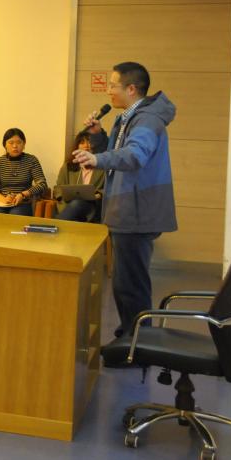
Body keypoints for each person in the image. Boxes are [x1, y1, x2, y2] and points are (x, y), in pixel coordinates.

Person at [72, 61, 177, 338]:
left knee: (131, 285)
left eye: (113, 85)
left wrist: (96, 159)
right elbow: (118, 152)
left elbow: (134, 155)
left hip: (136, 212)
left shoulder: (147, 119)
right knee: (124, 283)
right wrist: (98, 138)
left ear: (131, 89)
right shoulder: (128, 117)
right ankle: (129, 337)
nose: (108, 90)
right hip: (126, 209)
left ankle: (138, 344)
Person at [0, 127, 47, 216]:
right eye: (11, 143)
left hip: (23, 203)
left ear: (24, 144)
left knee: (16, 214)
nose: (15, 146)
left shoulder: (31, 160)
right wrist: (3, 199)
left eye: (19, 142)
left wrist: (22, 195)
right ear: (5, 145)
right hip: (1, 201)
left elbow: (42, 184)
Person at [52, 131, 105, 222]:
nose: (86, 146)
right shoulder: (68, 167)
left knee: (78, 203)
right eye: (82, 142)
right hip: (68, 205)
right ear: (77, 147)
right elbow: (57, 188)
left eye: (90, 142)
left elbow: (109, 188)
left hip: (92, 208)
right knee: (75, 204)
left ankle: (56, 224)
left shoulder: (102, 168)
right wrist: (64, 195)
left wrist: (98, 194)